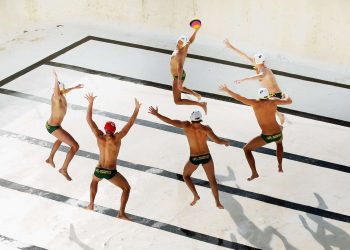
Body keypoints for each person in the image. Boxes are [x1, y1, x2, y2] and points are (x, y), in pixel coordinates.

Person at [148, 106, 229, 208]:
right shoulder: (206, 128)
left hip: (194, 158)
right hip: (206, 156)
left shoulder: (186, 125)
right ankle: (217, 202)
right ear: (200, 119)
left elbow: (171, 121)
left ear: (191, 118)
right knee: (212, 180)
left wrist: (157, 114)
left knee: (186, 176)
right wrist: (226, 142)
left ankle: (195, 195)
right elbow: (217, 141)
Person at [85, 93, 141, 220]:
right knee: (126, 188)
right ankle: (121, 213)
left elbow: (89, 120)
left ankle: (91, 204)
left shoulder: (99, 136)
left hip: (99, 170)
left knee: (94, 181)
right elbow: (130, 124)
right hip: (110, 172)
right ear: (114, 130)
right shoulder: (117, 138)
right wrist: (137, 109)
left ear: (104, 129)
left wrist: (90, 103)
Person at [219, 84, 292, 181]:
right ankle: (280, 165)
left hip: (267, 136)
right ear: (268, 95)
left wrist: (227, 90)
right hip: (278, 133)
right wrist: (284, 94)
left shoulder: (255, 103)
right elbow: (289, 101)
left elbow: (239, 98)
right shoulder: (273, 102)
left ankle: (254, 173)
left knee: (246, 149)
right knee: (279, 143)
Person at [224, 39, 286, 124]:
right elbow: (244, 55)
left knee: (265, 106)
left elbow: (260, 76)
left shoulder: (265, 70)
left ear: (257, 61)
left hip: (276, 95)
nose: (252, 60)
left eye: (254, 59)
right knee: (263, 104)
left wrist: (244, 79)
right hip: (269, 95)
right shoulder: (257, 66)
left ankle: (277, 119)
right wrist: (231, 47)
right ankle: (279, 115)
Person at [45, 70, 83, 181]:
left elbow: (64, 90)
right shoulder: (57, 97)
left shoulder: (61, 94)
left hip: (53, 125)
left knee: (61, 139)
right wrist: (56, 79)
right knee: (75, 146)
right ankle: (63, 169)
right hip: (53, 127)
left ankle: (50, 158)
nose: (62, 91)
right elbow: (57, 90)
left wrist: (74, 88)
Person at [170, 27, 207, 114]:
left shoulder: (180, 53)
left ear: (182, 44)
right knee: (178, 96)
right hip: (177, 74)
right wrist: (195, 31)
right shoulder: (183, 47)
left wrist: (179, 80)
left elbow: (180, 67)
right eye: (178, 41)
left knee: (177, 100)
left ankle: (199, 100)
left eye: (180, 43)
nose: (178, 44)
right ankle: (199, 100)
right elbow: (190, 41)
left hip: (178, 74)